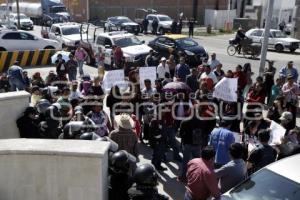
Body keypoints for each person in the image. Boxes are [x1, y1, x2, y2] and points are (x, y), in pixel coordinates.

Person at [178, 107, 205, 182]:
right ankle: (196, 176)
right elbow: (204, 133)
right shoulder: (202, 121)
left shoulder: (185, 121)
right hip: (198, 144)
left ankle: (183, 177)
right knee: (198, 162)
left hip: (187, 144)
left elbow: (180, 134)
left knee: (185, 161)